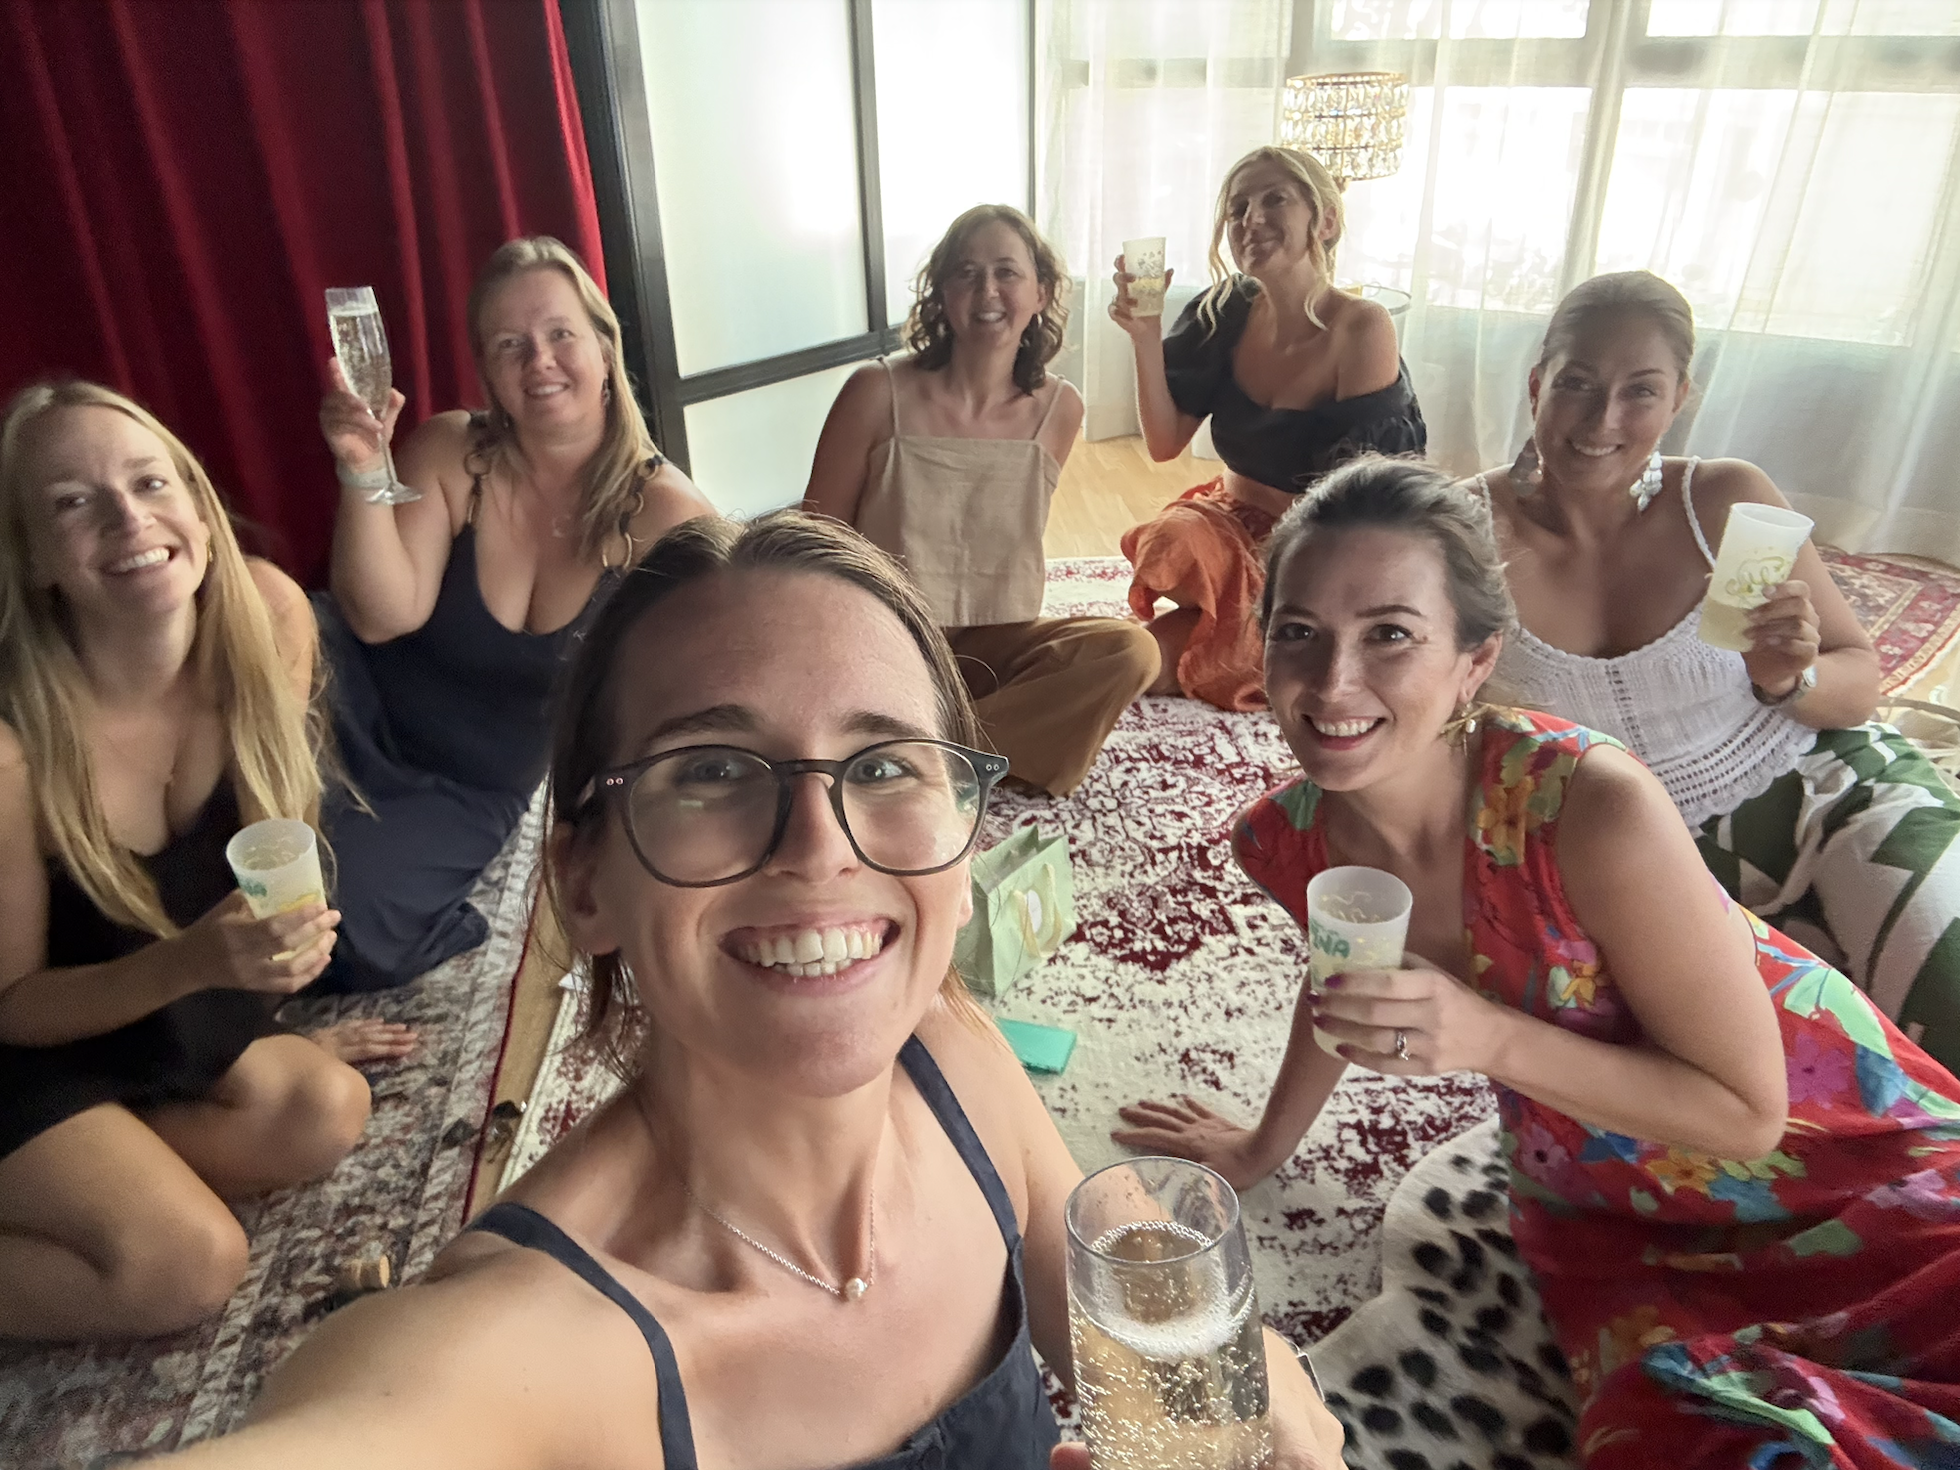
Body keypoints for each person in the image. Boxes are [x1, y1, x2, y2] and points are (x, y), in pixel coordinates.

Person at [159, 510, 1342, 1468]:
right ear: (583, 882)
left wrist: (1242, 1373)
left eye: (882, 763)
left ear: (967, 852)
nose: (820, 845)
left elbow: (1122, 1283)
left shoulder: (955, 1058)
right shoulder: (520, 1350)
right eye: (714, 770)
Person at [1114, 457, 1960, 1464]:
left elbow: (1746, 1112)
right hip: (1612, 1213)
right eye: (1299, 633)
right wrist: (1261, 1146)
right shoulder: (1285, 841)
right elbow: (1340, 980)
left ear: (1474, 661)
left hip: (1842, 1154)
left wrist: (1487, 1038)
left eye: (1390, 634)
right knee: (1692, 1436)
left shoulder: (1587, 806)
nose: (1332, 683)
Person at [1462, 269, 1960, 1073]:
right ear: (1535, 385)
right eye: (1577, 384)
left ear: (1681, 397)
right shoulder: (1464, 536)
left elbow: (1858, 680)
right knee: (1800, 1079)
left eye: (1641, 392)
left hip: (1826, 793)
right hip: (1640, 871)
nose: (1603, 420)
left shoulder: (1725, 503)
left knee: (1948, 997)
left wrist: (1786, 677)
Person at [0, 381, 397, 1342]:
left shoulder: (268, 618)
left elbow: (261, 858)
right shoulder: (12, 750)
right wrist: (194, 969)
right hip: (28, 1054)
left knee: (326, 1108)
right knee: (189, 1266)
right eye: (72, 502)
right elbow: (12, 1005)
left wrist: (250, 1009)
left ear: (200, 509)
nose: (128, 518)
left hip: (148, 1031)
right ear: (40, 561)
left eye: (149, 481)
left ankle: (116, 1164)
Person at [314, 235, 711, 991]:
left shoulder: (668, 519)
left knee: (338, 924)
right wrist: (363, 469)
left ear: (603, 345)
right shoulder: (449, 449)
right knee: (239, 850)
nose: (540, 361)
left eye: (561, 333)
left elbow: (690, 697)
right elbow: (378, 617)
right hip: (349, 708)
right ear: (487, 372)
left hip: (468, 782)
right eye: (510, 344)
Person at [804, 204, 1158, 797]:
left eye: (1006, 272)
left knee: (1130, 651)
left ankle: (916, 755)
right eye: (966, 273)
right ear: (941, 293)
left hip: (996, 645)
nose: (986, 290)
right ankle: (948, 748)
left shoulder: (1060, 408)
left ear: (1042, 292)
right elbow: (816, 539)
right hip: (889, 641)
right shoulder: (876, 391)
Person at [1111, 146, 1427, 712]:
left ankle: (1249, 630)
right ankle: (1233, 622)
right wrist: (1144, 335)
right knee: (1171, 544)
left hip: (1311, 542)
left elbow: (1369, 494)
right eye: (1237, 209)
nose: (1250, 219)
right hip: (1224, 519)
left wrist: (1300, 579)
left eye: (1274, 199)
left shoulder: (1361, 328)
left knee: (1140, 658)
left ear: (1324, 220)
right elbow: (1163, 443)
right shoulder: (1225, 309)